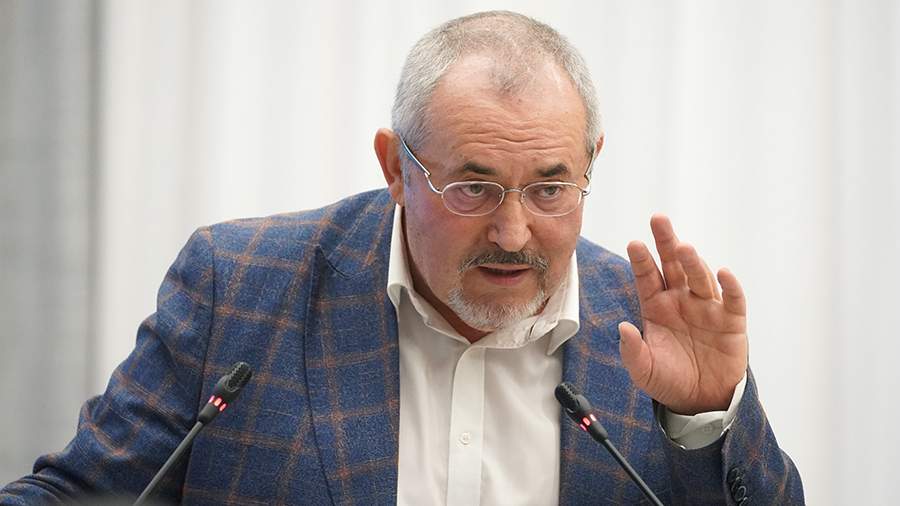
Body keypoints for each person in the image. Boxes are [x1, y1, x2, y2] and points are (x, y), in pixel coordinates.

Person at [1, 10, 803, 505]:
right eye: (473, 188)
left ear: (591, 160)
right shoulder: (241, 285)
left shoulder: (648, 330)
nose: (514, 232)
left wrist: (705, 417)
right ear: (395, 166)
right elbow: (78, 497)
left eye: (550, 188)